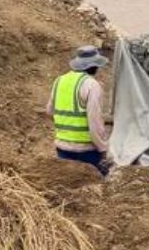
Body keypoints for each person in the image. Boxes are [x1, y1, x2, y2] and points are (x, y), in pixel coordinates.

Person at [46, 45, 111, 174]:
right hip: (86, 151)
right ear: (93, 66)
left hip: (62, 148)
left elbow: (49, 111)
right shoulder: (91, 85)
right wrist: (103, 149)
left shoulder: (59, 81)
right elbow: (95, 123)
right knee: (95, 186)